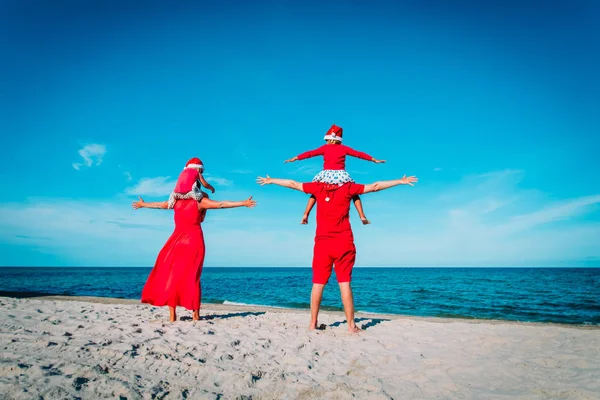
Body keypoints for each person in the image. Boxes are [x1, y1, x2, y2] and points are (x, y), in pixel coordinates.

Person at [256, 174, 417, 333]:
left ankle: (313, 324)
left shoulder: (318, 188)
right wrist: (399, 181)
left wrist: (271, 181)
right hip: (344, 243)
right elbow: (375, 186)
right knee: (345, 283)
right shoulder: (348, 188)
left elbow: (292, 183)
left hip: (322, 244)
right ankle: (351, 326)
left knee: (318, 283)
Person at [132, 193, 256, 322]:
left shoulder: (175, 201)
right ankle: (195, 315)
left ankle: (172, 315)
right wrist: (243, 203)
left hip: (176, 241)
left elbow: (159, 205)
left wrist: (143, 204)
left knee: (173, 277)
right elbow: (221, 204)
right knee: (193, 277)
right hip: (193, 241)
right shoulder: (200, 201)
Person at [284, 124, 385, 225]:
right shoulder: (344, 148)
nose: (326, 142)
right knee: (354, 193)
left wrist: (296, 158)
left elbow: (310, 153)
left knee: (315, 191)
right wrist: (373, 159)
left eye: (327, 140)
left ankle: (306, 214)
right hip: (341, 176)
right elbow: (358, 154)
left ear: (331, 139)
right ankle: (362, 215)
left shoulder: (324, 148)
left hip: (326, 175)